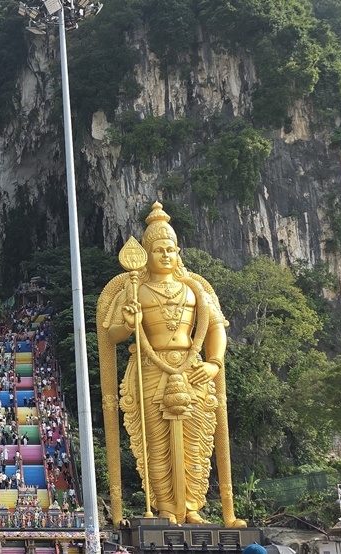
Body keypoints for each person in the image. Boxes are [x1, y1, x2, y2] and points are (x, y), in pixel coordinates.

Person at [97, 201, 243, 526]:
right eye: (159, 249)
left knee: (196, 439)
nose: (165, 255)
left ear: (178, 252)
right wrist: (128, 321)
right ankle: (165, 508)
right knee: (156, 441)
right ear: (146, 254)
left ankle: (191, 507)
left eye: (171, 249)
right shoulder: (135, 288)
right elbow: (112, 335)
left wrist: (214, 362)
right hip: (151, 368)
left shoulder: (195, 288)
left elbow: (216, 327)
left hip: (192, 368)